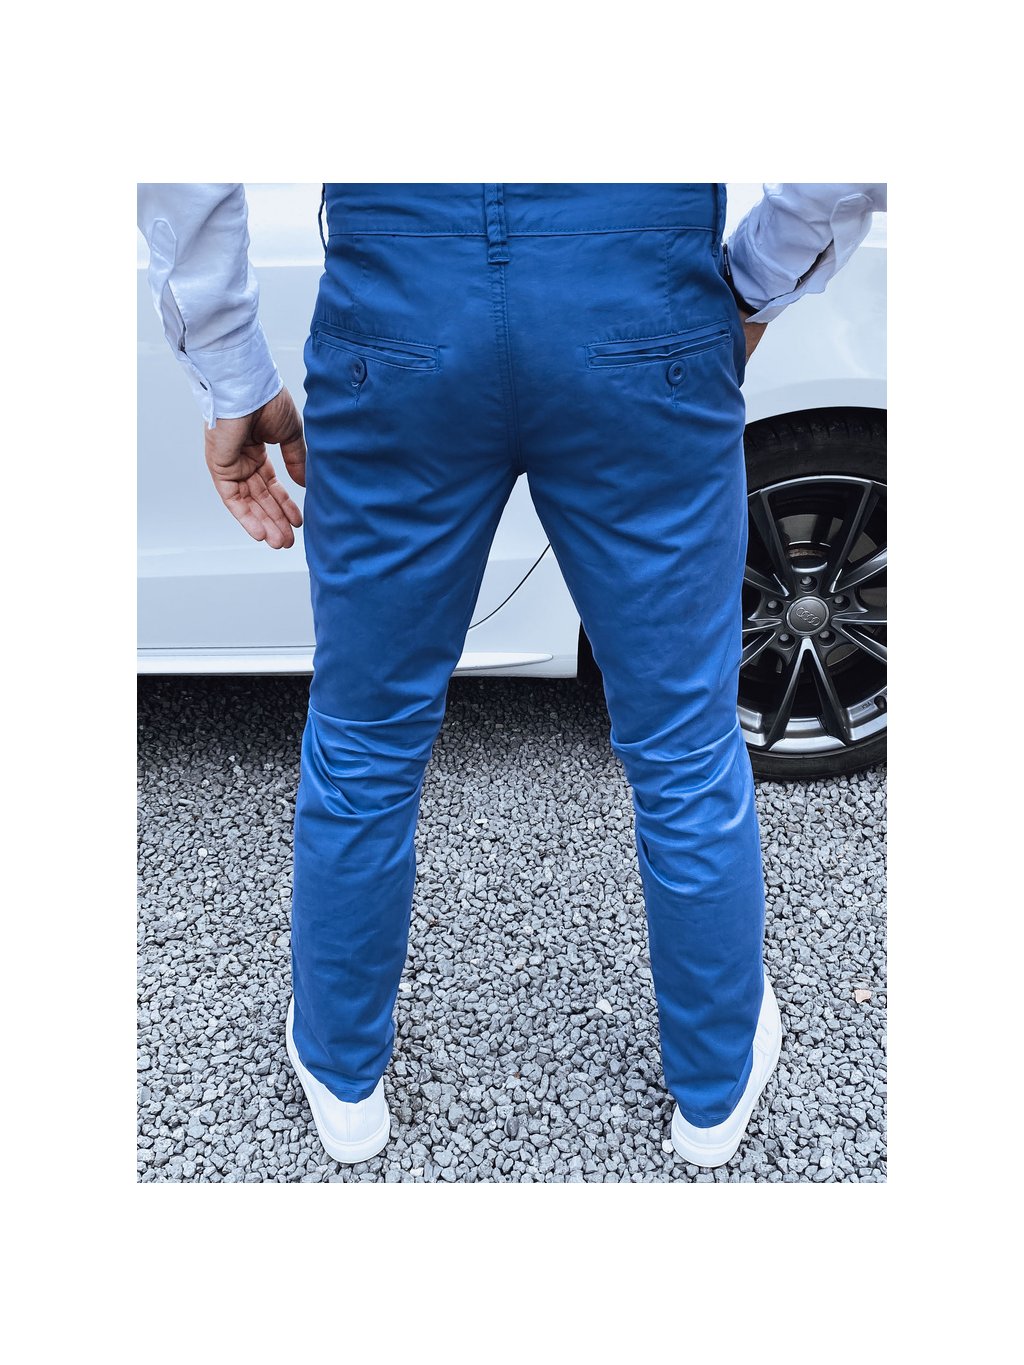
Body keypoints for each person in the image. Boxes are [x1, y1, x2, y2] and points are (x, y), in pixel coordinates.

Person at [138, 182, 886, 1172]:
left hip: (405, 301)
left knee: (366, 732)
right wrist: (753, 280)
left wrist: (230, 365)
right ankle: (712, 1090)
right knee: (681, 739)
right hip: (636, 290)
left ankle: (342, 1073)